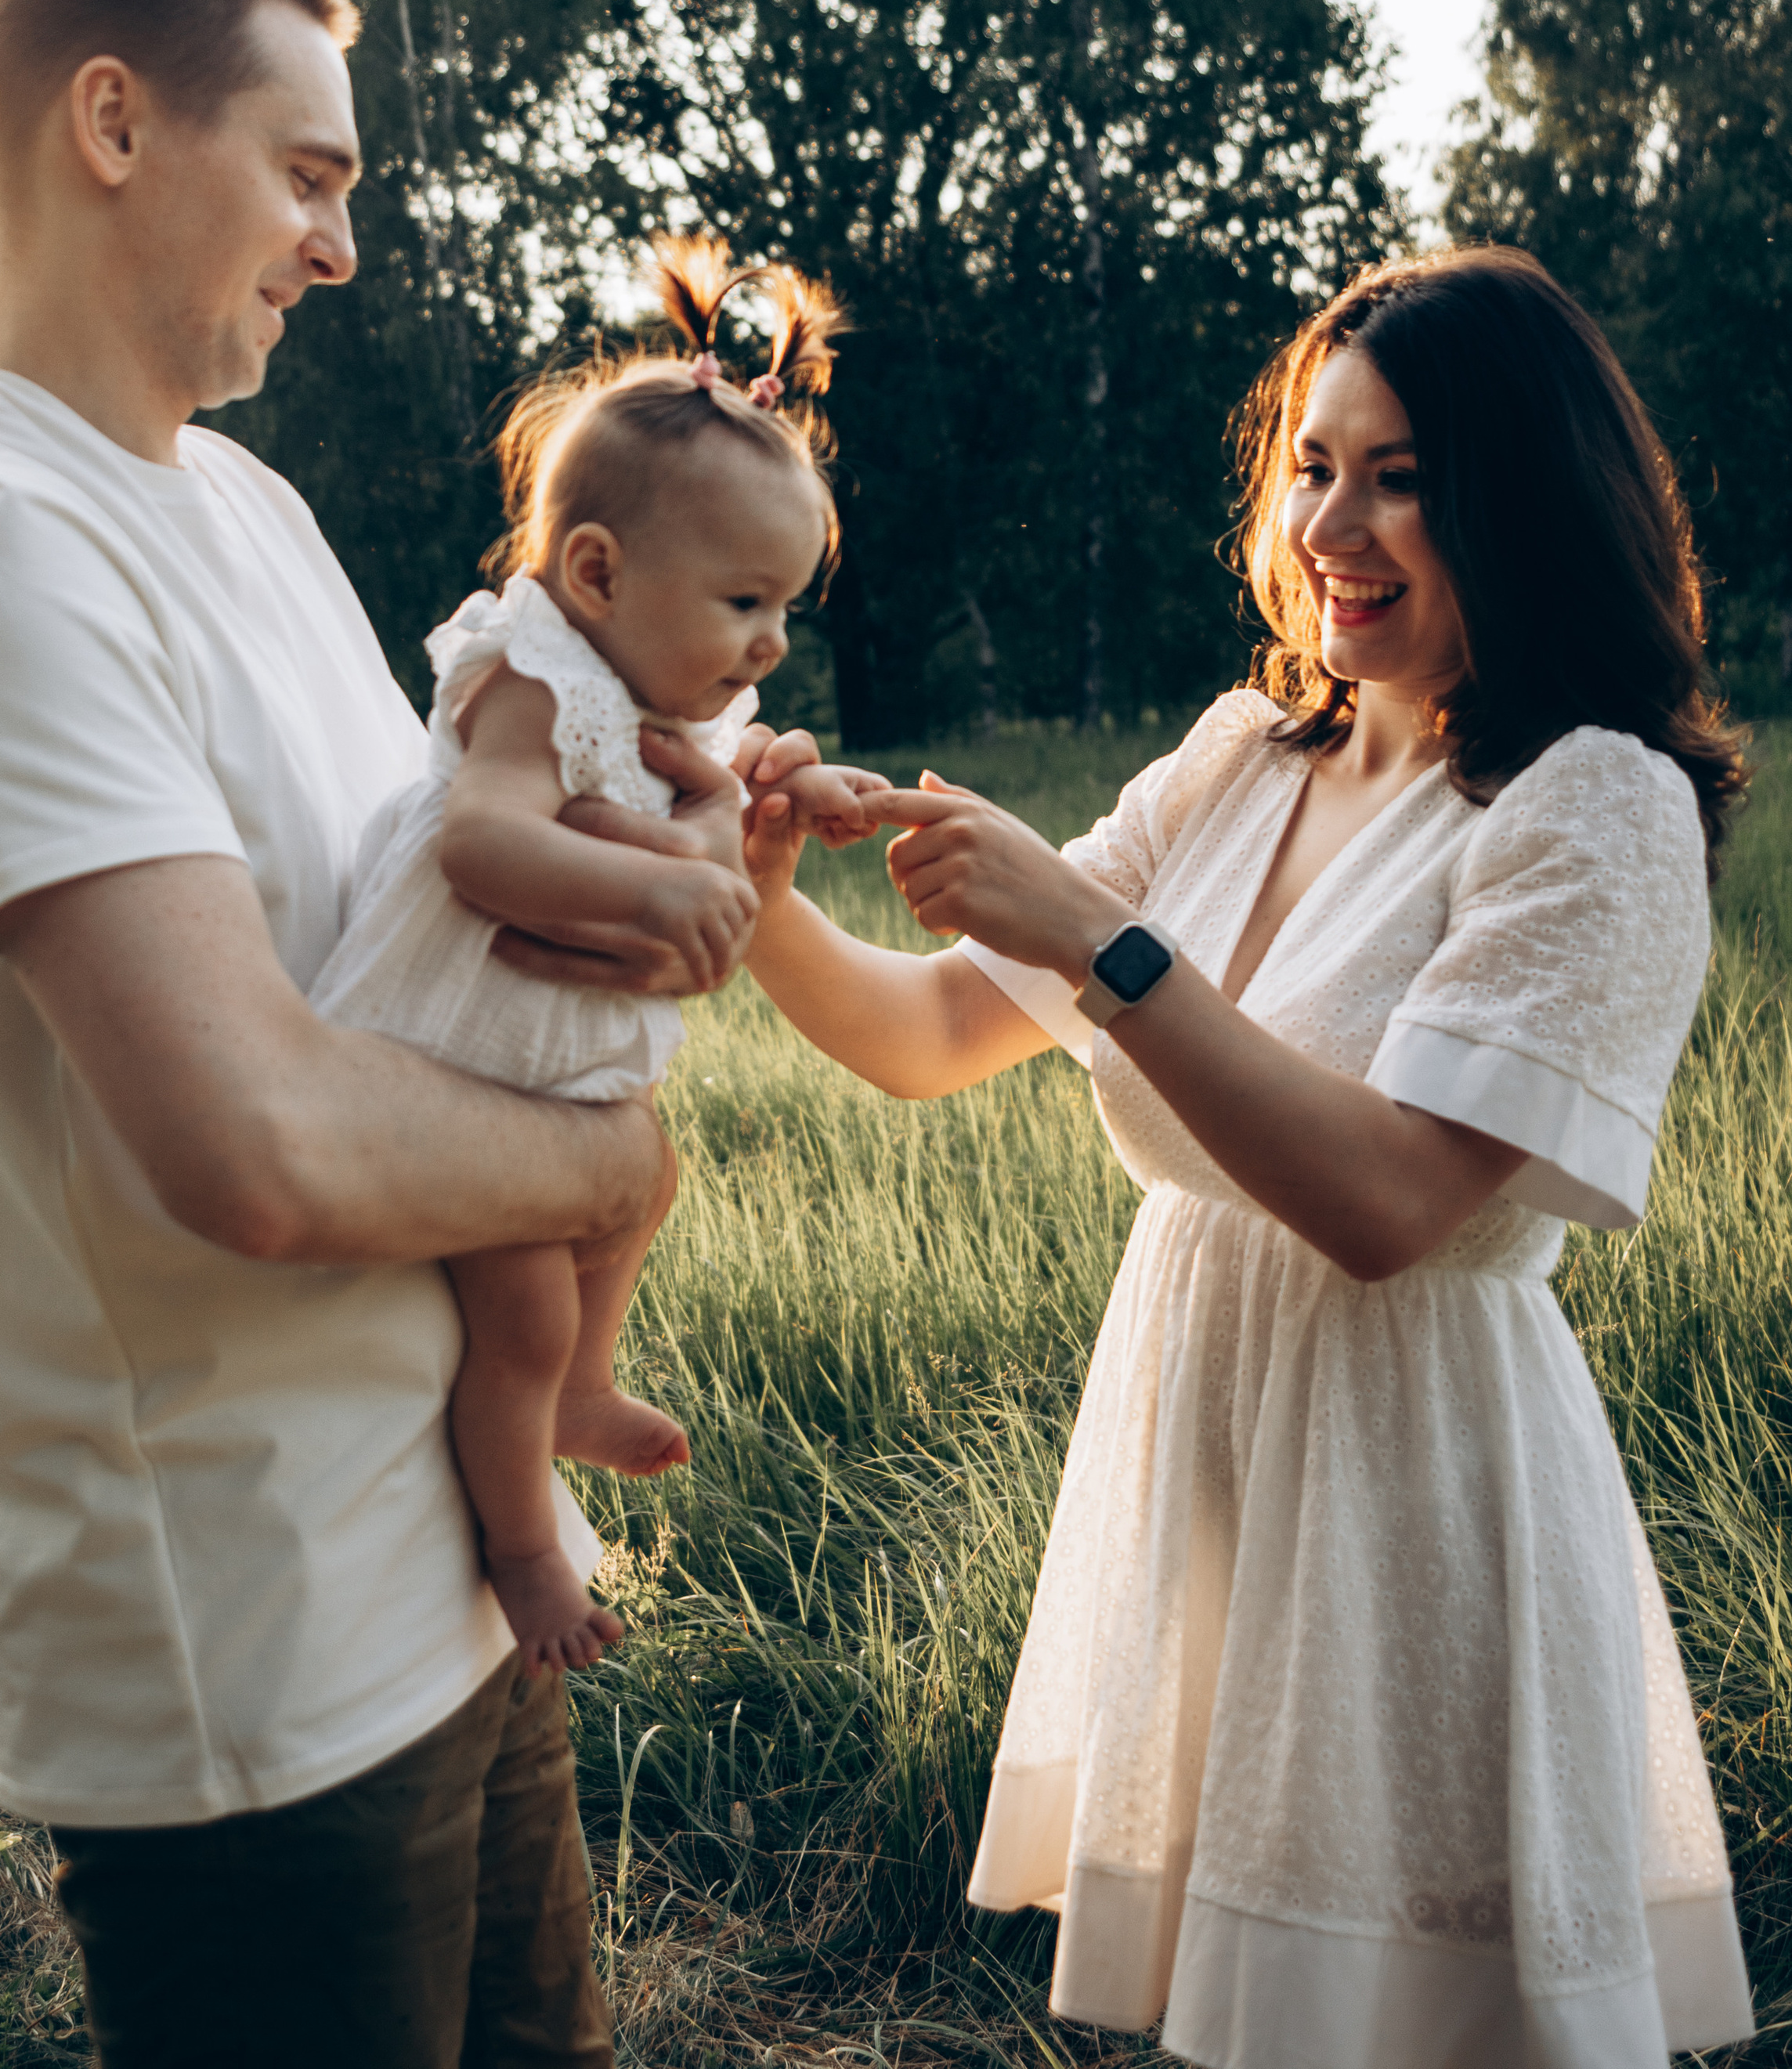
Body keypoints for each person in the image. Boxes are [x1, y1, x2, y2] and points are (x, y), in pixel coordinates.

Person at [0, 0, 800, 2069]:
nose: (340, 248)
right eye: (308, 175)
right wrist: (609, 1164)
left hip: (451, 1567)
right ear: (111, 126)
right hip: (243, 1660)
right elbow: (253, 1141)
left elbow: (415, 938)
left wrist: (677, 865)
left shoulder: (242, 508)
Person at [739, 249, 1757, 2067]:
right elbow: (925, 1035)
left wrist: (1101, 944)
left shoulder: (1592, 802)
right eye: (1310, 465)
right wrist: (745, 891)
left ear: (1525, 498)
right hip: (1204, 1434)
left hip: (1405, 1482)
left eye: (1400, 477)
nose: (1330, 527)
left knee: (1405, 2016)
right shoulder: (1239, 759)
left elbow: (1384, 1201)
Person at [309, 234, 882, 1676]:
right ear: (597, 570)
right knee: (515, 1304)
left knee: (643, 1186)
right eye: (744, 604)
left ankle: (581, 1384)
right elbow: (483, 844)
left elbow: (713, 774)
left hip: (535, 1059)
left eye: (786, 609)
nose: (769, 643)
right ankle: (522, 1549)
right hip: (449, 1056)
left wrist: (793, 790)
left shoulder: (635, 683)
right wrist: (648, 892)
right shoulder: (529, 679)